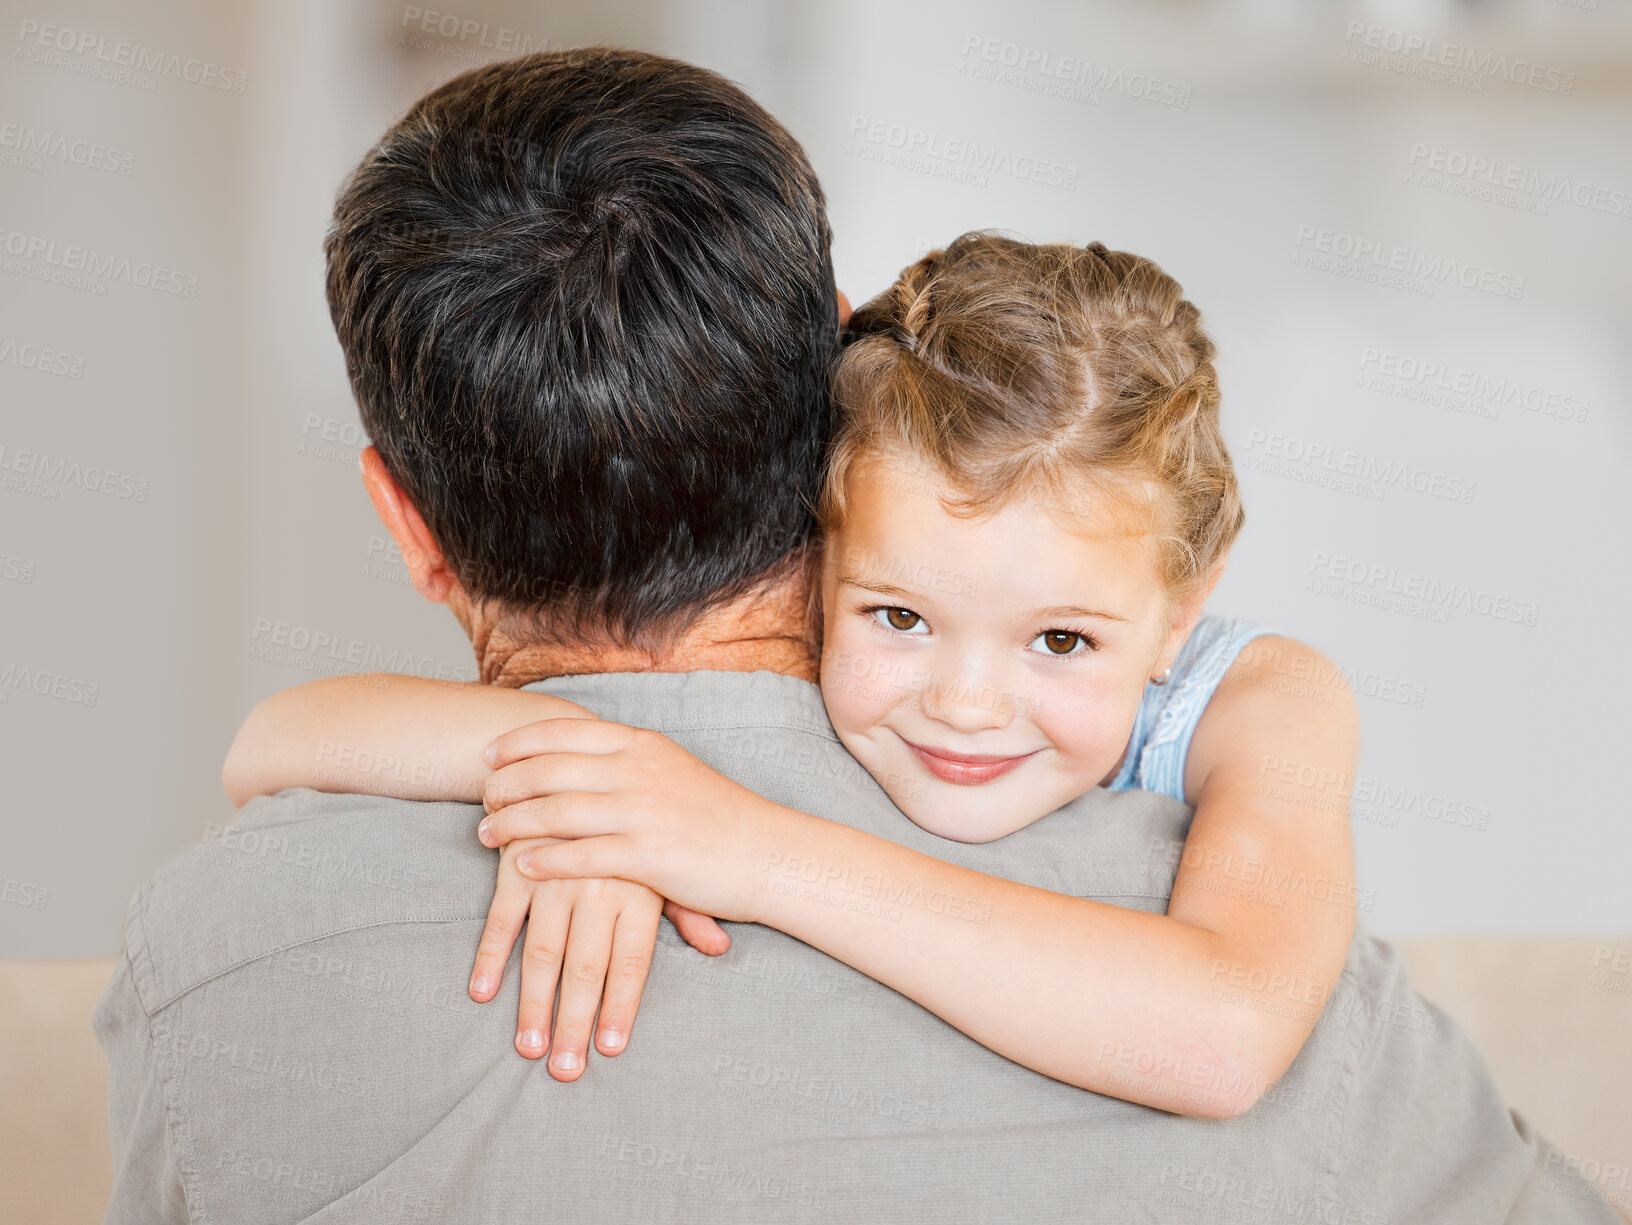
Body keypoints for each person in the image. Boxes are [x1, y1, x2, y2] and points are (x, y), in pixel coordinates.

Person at [96, 47, 1619, 1224]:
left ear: (403, 517)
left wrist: (693, 816)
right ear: (832, 374)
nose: (978, 699)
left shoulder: (218, 960)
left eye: (1064, 641)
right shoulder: (1253, 947)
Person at [225, 233, 1360, 1118]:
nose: (964, 703)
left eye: (1062, 641)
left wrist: (739, 845)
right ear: (812, 555)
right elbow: (270, 742)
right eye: (901, 614)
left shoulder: (1259, 704)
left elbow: (1224, 1037)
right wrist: (600, 781)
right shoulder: (815, 647)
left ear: (1181, 609)